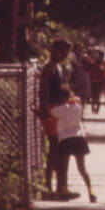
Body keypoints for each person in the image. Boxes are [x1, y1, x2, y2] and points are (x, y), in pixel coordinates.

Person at [36, 38, 72, 198]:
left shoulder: (59, 67)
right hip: (51, 109)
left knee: (58, 149)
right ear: (53, 50)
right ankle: (49, 185)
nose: (64, 55)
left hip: (59, 109)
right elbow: (43, 89)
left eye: (66, 52)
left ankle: (58, 185)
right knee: (55, 149)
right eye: (62, 51)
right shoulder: (49, 67)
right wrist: (44, 109)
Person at [50, 87, 96, 202]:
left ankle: (64, 190)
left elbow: (51, 113)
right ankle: (91, 192)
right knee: (82, 168)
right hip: (79, 137)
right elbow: (79, 102)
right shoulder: (77, 108)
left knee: (63, 168)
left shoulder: (58, 110)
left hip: (65, 139)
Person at [88, 49, 105, 113]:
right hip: (93, 83)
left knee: (97, 97)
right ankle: (93, 107)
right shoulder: (93, 68)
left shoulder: (101, 69)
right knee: (93, 96)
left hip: (98, 84)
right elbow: (90, 75)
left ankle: (97, 109)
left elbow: (103, 77)